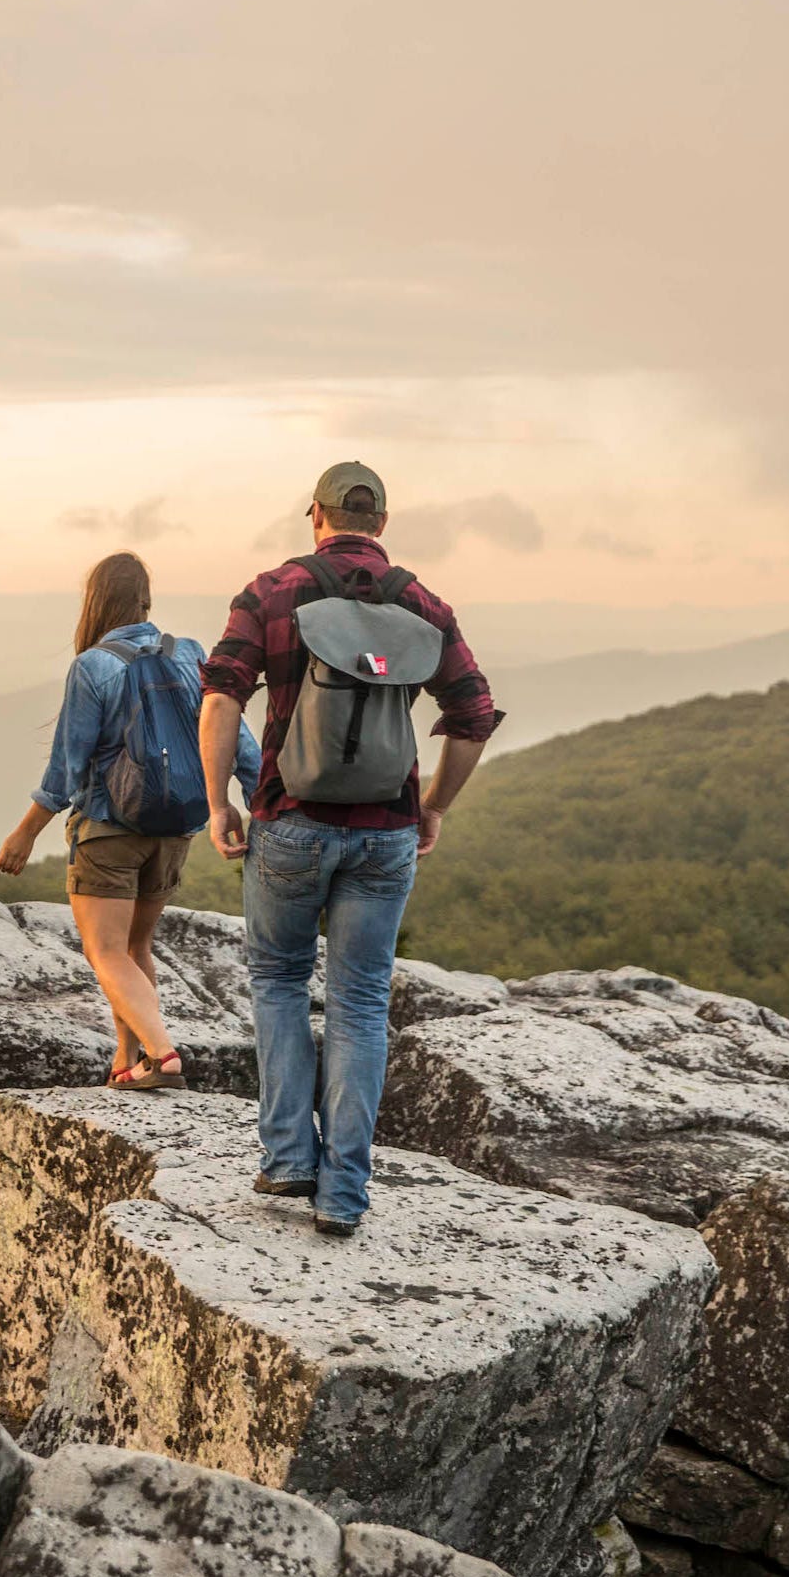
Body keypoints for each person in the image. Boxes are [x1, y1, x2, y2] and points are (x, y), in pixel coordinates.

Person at [197, 462, 502, 1235]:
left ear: (315, 517)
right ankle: (343, 1194)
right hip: (385, 832)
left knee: (278, 980)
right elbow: (473, 715)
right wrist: (433, 807)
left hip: (290, 820)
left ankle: (289, 1158)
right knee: (362, 1002)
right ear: (383, 524)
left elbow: (222, 695)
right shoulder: (420, 603)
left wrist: (218, 803)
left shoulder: (271, 591)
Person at [0, 550, 262, 1088]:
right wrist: (254, 804)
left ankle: (162, 1056)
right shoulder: (188, 653)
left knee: (106, 952)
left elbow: (67, 766)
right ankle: (128, 1059)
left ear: (96, 603)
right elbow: (236, 738)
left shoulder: (94, 665)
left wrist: (25, 832)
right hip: (173, 828)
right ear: (146, 600)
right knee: (136, 948)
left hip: (109, 831)